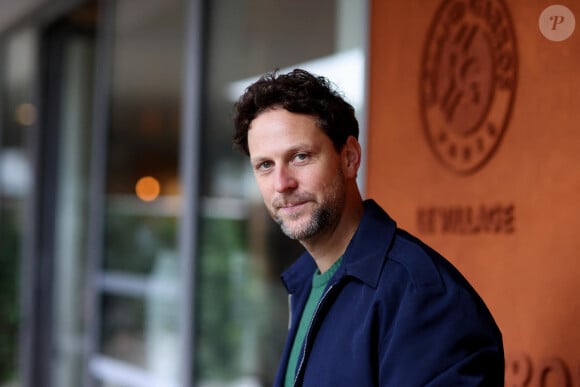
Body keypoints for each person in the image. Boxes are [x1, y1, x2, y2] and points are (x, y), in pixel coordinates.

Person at [232, 69, 504, 387]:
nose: (282, 184)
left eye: (301, 157)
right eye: (265, 165)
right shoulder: (308, 282)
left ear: (349, 158)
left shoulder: (423, 296)